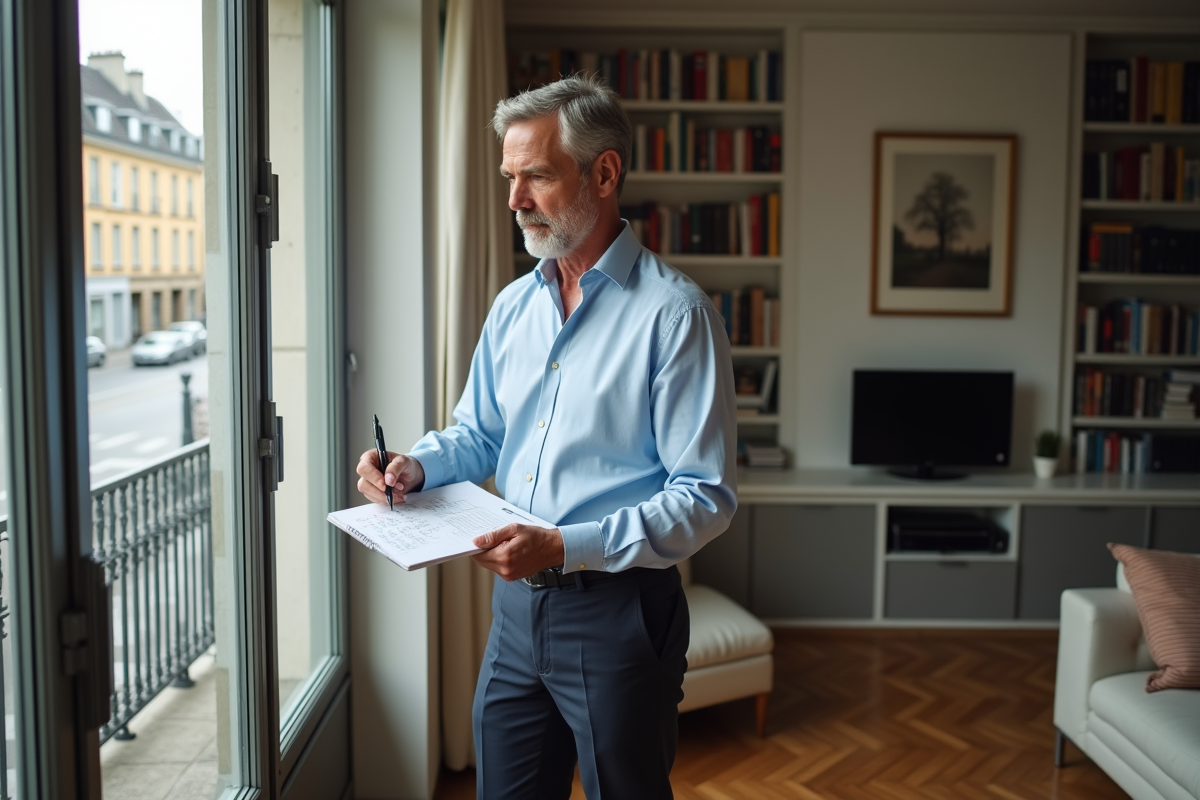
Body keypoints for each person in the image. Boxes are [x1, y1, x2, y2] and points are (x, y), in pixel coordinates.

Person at [355, 74, 737, 800]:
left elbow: (705, 498)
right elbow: (479, 433)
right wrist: (415, 468)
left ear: (604, 172)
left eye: (536, 175)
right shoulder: (512, 306)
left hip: (621, 613)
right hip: (516, 615)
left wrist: (563, 544)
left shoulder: (676, 318)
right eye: (508, 177)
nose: (514, 200)